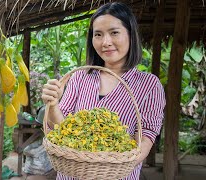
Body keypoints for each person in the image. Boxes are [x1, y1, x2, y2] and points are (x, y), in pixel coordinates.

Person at [41, 2, 166, 180]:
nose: (105, 42)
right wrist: (53, 105)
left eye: (114, 32)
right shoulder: (80, 77)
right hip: (72, 175)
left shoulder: (149, 85)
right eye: (98, 34)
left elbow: (144, 141)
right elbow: (62, 129)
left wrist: (103, 164)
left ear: (131, 34)